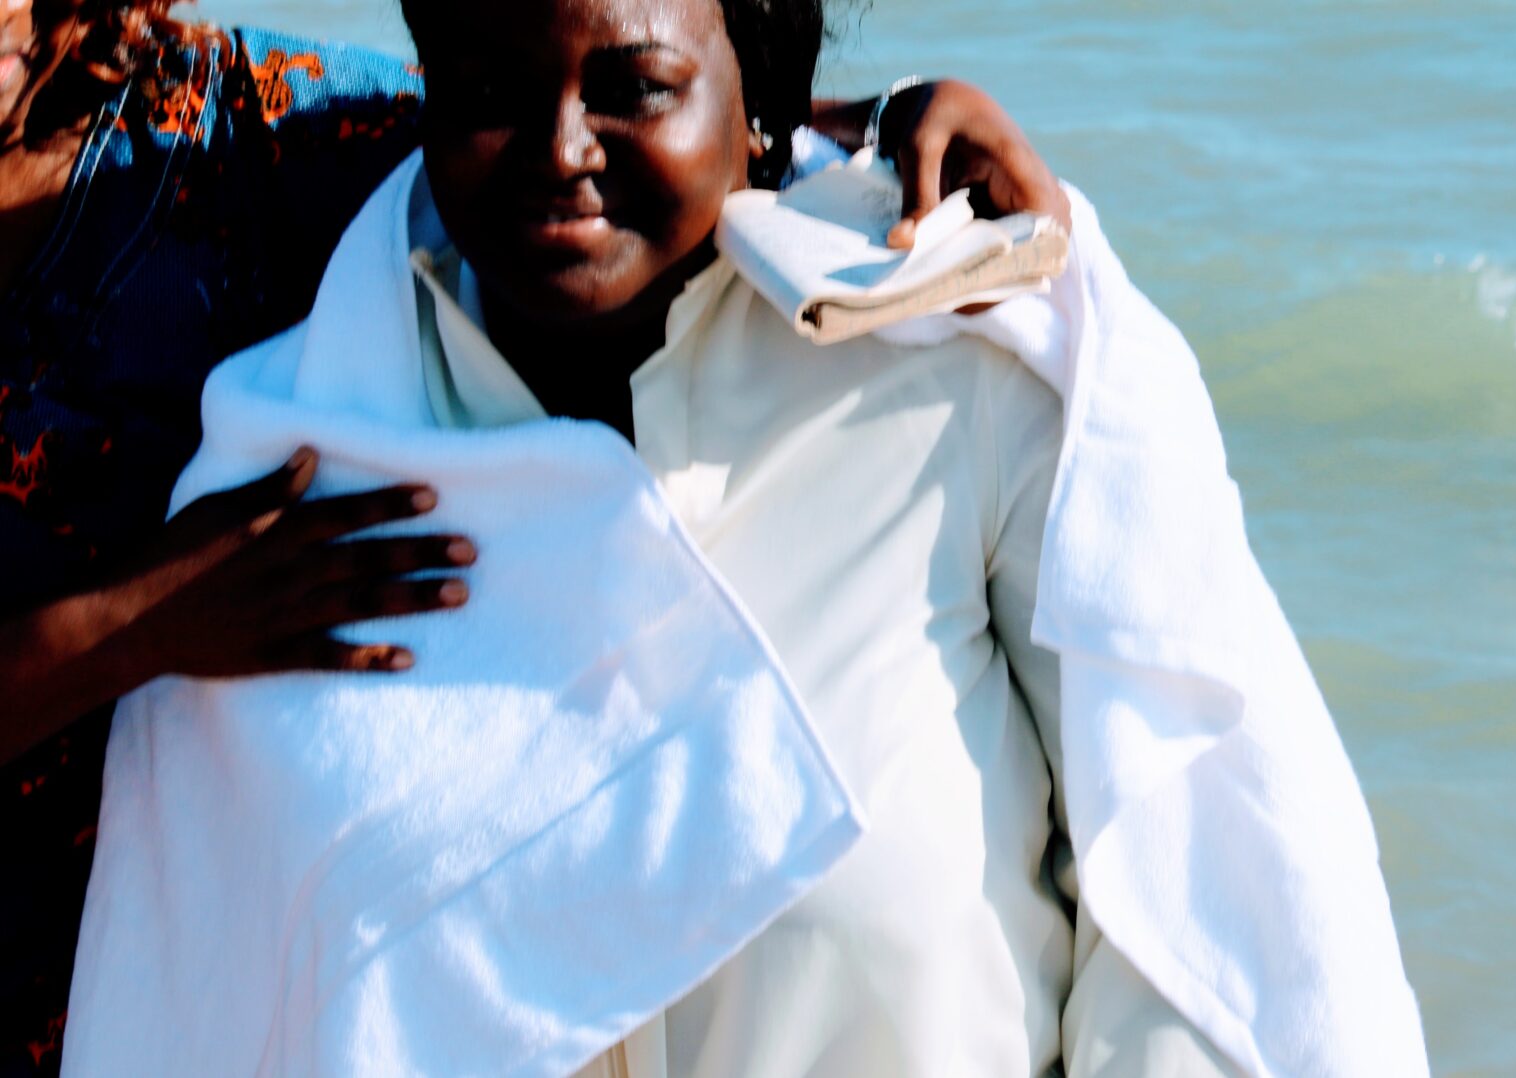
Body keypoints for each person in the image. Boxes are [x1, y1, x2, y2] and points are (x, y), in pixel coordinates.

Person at [60, 0, 1431, 1072]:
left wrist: (880, 117)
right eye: (486, 98)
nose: (557, 150)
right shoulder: (303, 481)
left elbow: (1192, 895)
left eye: (635, 92)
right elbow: (222, 999)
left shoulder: (954, 371)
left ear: (758, 107)